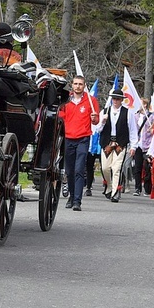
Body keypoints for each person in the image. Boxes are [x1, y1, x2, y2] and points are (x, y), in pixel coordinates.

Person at [58, 75, 99, 211]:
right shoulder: (66, 100)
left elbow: (96, 121)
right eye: (75, 84)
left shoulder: (91, 101)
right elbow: (60, 117)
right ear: (72, 85)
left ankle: (77, 201)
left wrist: (94, 118)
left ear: (84, 85)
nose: (77, 86)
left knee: (79, 169)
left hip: (83, 138)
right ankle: (71, 196)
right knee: (69, 171)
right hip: (68, 138)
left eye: (80, 84)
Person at [94, 88, 139, 203]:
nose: (115, 101)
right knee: (105, 168)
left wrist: (133, 146)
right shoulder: (104, 111)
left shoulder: (128, 113)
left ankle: (115, 192)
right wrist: (102, 122)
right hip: (106, 144)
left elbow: (133, 130)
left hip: (121, 144)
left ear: (121, 100)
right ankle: (109, 186)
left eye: (118, 99)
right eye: (114, 98)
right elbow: (97, 130)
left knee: (117, 168)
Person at [132, 98, 154, 197]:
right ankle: (137, 188)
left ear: (145, 105)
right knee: (137, 167)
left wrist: (152, 129)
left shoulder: (151, 116)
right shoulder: (135, 116)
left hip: (148, 145)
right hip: (138, 144)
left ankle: (147, 188)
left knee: (147, 167)